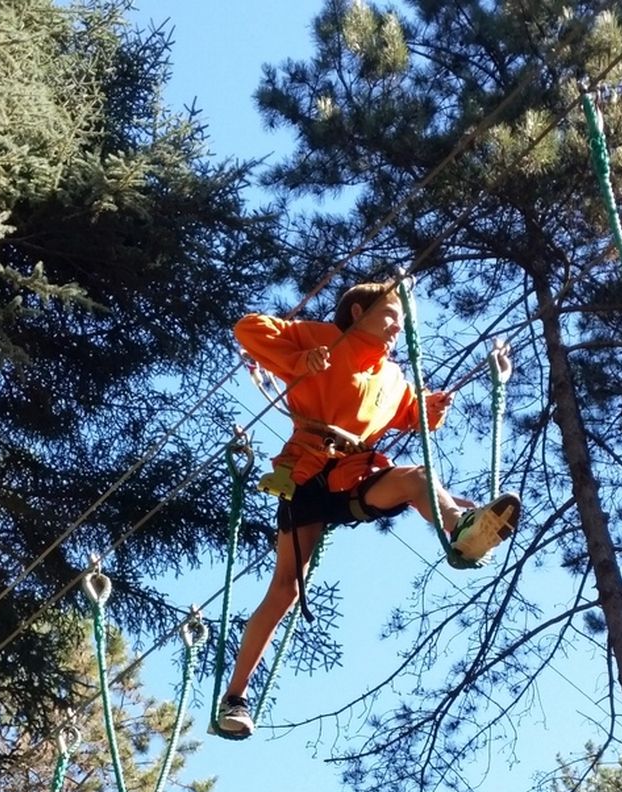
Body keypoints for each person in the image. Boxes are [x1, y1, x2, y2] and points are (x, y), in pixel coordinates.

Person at [215, 279, 521, 738]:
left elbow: (413, 416)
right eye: (390, 316)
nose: (398, 327)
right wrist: (299, 362)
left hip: (357, 475)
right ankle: (235, 698)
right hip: (307, 473)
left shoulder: (393, 378)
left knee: (418, 479)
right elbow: (248, 329)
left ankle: (463, 532)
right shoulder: (320, 337)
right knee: (285, 590)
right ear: (357, 312)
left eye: (401, 321)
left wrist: (435, 406)